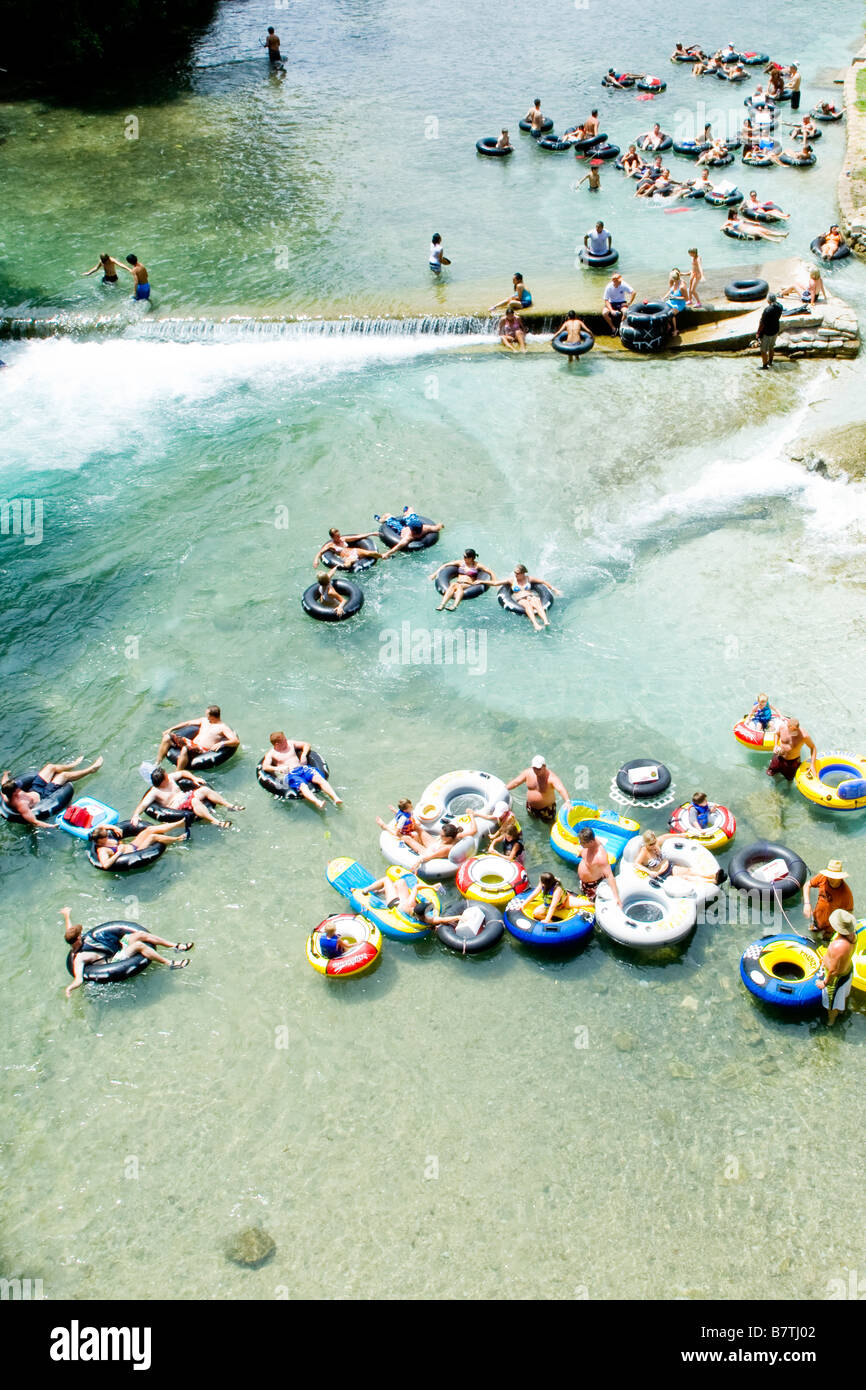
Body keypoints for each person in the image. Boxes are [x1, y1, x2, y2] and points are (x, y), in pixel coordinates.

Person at [63, 907, 192, 997]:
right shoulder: (79, 958)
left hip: (116, 950)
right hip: (114, 960)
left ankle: (175, 946)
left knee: (139, 934)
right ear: (77, 939)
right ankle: (169, 963)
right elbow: (78, 979)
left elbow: (69, 930)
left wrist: (67, 915)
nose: (82, 935)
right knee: (139, 946)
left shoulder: (76, 940)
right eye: (80, 935)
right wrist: (70, 988)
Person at [1, 755, 104, 827]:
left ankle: (72, 765)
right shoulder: (21, 805)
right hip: (44, 795)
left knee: (50, 767)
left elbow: (4, 782)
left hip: (35, 788)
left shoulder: (7, 793)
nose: (20, 786)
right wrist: (50, 825)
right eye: (18, 787)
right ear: (15, 793)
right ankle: (91, 769)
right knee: (64, 776)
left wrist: (6, 773)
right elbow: (34, 821)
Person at [131, 766, 244, 829]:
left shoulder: (170, 779)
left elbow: (183, 773)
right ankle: (216, 821)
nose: (168, 775)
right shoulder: (155, 792)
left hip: (186, 796)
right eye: (166, 776)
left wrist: (194, 778)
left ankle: (229, 805)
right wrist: (136, 815)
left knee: (204, 790)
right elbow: (143, 804)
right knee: (194, 801)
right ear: (162, 780)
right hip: (178, 807)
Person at [261, 732, 342, 807]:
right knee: (302, 786)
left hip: (302, 768)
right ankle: (318, 802)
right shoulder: (271, 754)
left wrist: (303, 755)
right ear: (277, 744)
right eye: (284, 740)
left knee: (319, 778)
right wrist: (278, 768)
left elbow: (306, 744)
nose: (286, 741)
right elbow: (265, 766)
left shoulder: (290, 744)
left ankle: (336, 798)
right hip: (290, 774)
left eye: (285, 739)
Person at [157, 706, 239, 771]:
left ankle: (177, 773)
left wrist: (222, 743)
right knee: (167, 737)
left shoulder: (223, 727)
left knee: (186, 749)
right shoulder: (204, 721)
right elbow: (187, 723)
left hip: (201, 749)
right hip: (190, 743)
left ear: (212, 716)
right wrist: (171, 729)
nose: (206, 716)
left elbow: (235, 741)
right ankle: (157, 763)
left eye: (207, 715)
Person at [635, 829, 725, 885]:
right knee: (686, 878)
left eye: (654, 842)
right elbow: (636, 864)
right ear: (646, 843)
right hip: (662, 875)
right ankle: (714, 881)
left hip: (670, 867)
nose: (654, 845)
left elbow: (665, 836)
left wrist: (682, 835)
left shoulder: (657, 842)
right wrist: (649, 872)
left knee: (689, 871)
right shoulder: (644, 851)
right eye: (651, 844)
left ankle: (714, 875)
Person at [816, 910, 859, 1025]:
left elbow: (834, 970)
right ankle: (841, 1011)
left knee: (831, 1004)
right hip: (848, 971)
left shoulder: (839, 945)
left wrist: (824, 983)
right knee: (843, 995)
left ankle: (831, 1022)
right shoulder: (853, 935)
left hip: (836, 979)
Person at [89, 820, 187, 868]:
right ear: (100, 841)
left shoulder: (101, 835)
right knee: (153, 837)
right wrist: (119, 853)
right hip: (135, 852)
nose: (107, 836)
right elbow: (105, 865)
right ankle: (178, 839)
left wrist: (114, 828)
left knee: (150, 829)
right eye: (105, 836)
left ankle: (180, 823)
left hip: (132, 845)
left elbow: (101, 826)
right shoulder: (102, 850)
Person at [506, 755, 568, 823]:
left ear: (544, 766)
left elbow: (561, 789)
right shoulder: (528, 773)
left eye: (538, 769)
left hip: (547, 810)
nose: (536, 771)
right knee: (533, 821)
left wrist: (567, 801)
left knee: (549, 824)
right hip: (531, 807)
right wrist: (505, 788)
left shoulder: (551, 778)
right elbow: (516, 782)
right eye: (534, 768)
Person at [803, 860, 854, 942]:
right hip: (816, 918)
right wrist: (807, 904)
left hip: (831, 926)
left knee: (826, 941)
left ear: (840, 877)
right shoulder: (823, 878)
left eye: (834, 877)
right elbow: (807, 885)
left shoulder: (846, 894)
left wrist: (844, 930)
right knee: (812, 936)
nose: (831, 879)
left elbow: (849, 913)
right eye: (829, 876)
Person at [430, 549, 496, 611]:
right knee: (454, 585)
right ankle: (443, 605)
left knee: (456, 585)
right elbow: (445, 565)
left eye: (465, 557)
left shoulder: (477, 565)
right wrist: (434, 574)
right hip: (459, 583)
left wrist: (494, 583)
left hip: (468, 585)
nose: (463, 558)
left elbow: (490, 572)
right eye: (463, 556)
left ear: (471, 558)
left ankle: (454, 606)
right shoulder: (461, 563)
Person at [501, 563, 561, 629]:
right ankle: (535, 624)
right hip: (521, 599)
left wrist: (555, 589)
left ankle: (546, 621)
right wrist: (487, 581)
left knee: (537, 602)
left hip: (530, 596)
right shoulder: (512, 580)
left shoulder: (528, 578)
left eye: (517, 573)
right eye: (515, 572)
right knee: (527, 605)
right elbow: (495, 583)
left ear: (522, 573)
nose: (515, 574)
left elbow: (543, 582)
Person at [412, 813, 480, 869]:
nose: (440, 835)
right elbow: (474, 830)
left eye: (442, 835)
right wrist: (471, 815)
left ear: (449, 838)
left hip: (429, 851)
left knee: (407, 838)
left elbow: (429, 857)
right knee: (419, 829)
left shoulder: (446, 849)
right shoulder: (457, 836)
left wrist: (419, 861)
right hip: (435, 845)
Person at [576, 828, 621, 905]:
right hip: (584, 882)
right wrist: (581, 853)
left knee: (591, 905)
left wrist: (616, 897)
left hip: (592, 886)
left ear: (591, 842)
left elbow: (610, 876)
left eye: (582, 843)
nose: (580, 844)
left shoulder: (600, 856)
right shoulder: (592, 841)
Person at [766, 715, 818, 781]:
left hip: (792, 762)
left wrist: (812, 765)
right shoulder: (783, 727)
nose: (792, 732)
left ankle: (788, 788)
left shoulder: (804, 736)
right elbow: (777, 734)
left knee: (789, 779)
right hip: (778, 756)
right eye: (790, 729)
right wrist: (775, 745)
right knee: (771, 773)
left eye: (795, 730)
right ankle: (775, 783)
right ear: (788, 726)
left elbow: (813, 748)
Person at [377, 506, 444, 556]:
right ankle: (406, 514)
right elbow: (437, 527)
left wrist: (386, 554)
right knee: (410, 508)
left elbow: (397, 547)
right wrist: (441, 525)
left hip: (400, 530)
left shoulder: (408, 537)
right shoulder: (425, 528)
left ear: (412, 530)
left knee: (388, 515)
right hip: (413, 526)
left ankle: (380, 520)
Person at [313, 527, 380, 570]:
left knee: (371, 553)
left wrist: (372, 533)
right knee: (348, 564)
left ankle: (384, 556)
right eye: (337, 536)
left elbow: (358, 537)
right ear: (332, 537)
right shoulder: (330, 545)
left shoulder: (343, 539)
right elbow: (320, 552)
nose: (339, 537)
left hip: (355, 551)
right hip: (348, 557)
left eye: (339, 535)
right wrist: (316, 560)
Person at [753, 290, 784, 370]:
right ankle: (770, 362)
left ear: (768, 300)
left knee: (763, 350)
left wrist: (758, 333)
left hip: (767, 332)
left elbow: (762, 323)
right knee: (771, 347)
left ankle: (765, 366)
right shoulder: (780, 306)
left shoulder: (767, 310)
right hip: (775, 330)